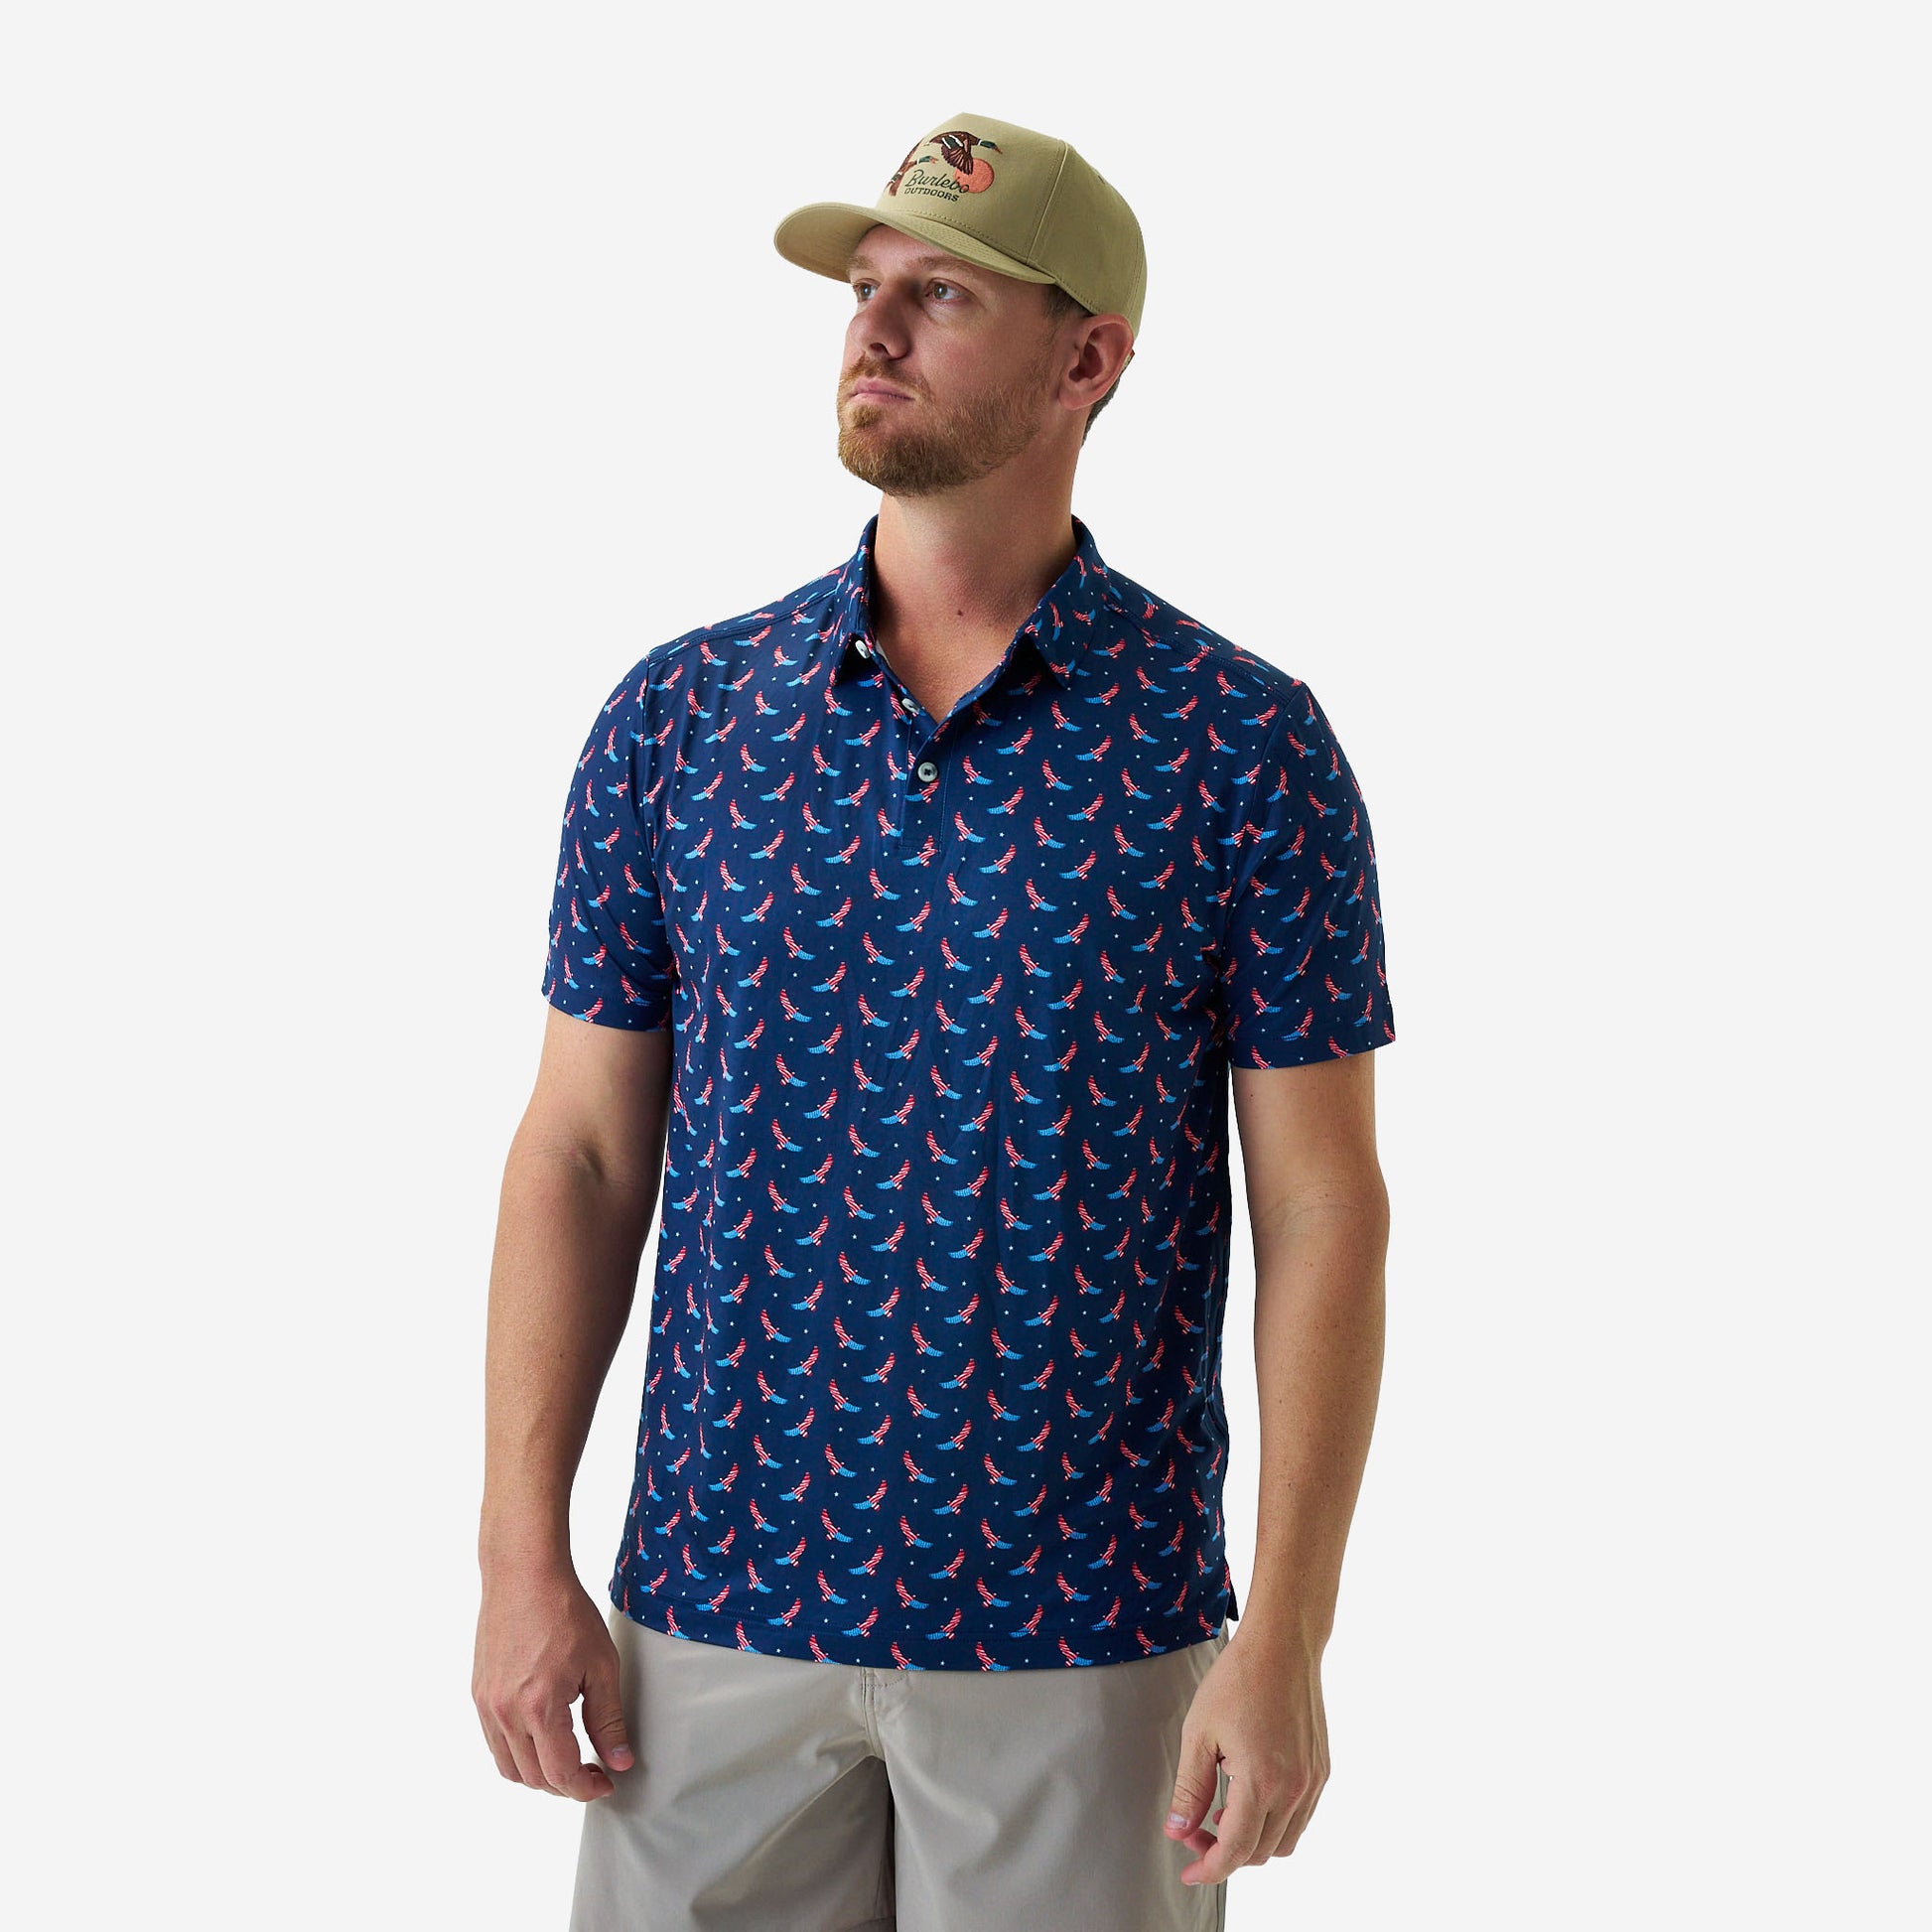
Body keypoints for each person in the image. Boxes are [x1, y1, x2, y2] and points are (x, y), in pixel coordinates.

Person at [474, 109, 1396, 1932]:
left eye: (945, 295)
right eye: (865, 289)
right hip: (711, 1611)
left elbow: (1321, 1202)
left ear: (1087, 360)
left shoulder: (1240, 746)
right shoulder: (681, 719)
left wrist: (1286, 1634)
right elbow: (577, 1151)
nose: (873, 330)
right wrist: (519, 1555)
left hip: (1085, 1631)